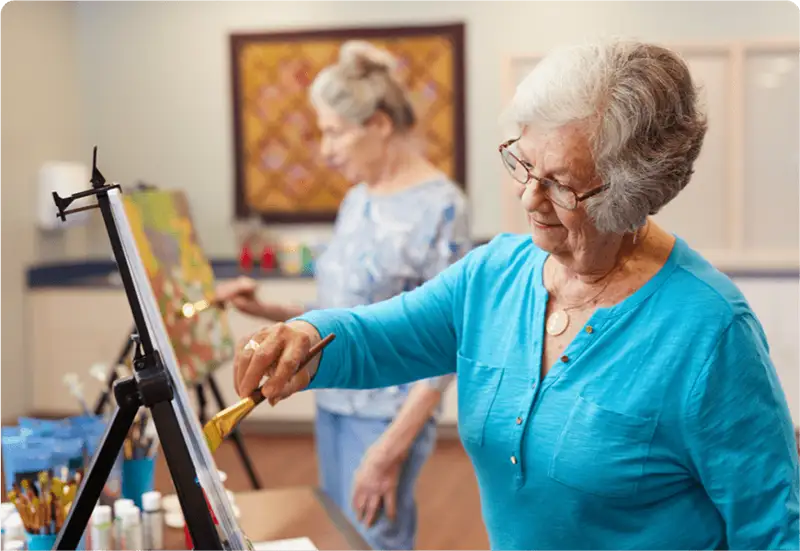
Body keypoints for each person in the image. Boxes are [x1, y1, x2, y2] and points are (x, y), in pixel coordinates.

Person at [230, 38, 800, 550]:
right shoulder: (493, 275)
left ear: (631, 195)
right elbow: (380, 335)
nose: (530, 198)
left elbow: (774, 528)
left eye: (560, 183)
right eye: (524, 164)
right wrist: (303, 334)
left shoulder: (709, 332)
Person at [217, 41, 471, 551]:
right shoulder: (356, 200)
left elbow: (449, 340)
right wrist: (269, 314)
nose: (326, 150)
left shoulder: (442, 207)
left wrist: (389, 449)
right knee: (342, 533)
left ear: (378, 124)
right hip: (331, 395)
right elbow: (340, 312)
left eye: (334, 132)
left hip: (386, 413)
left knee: (376, 536)